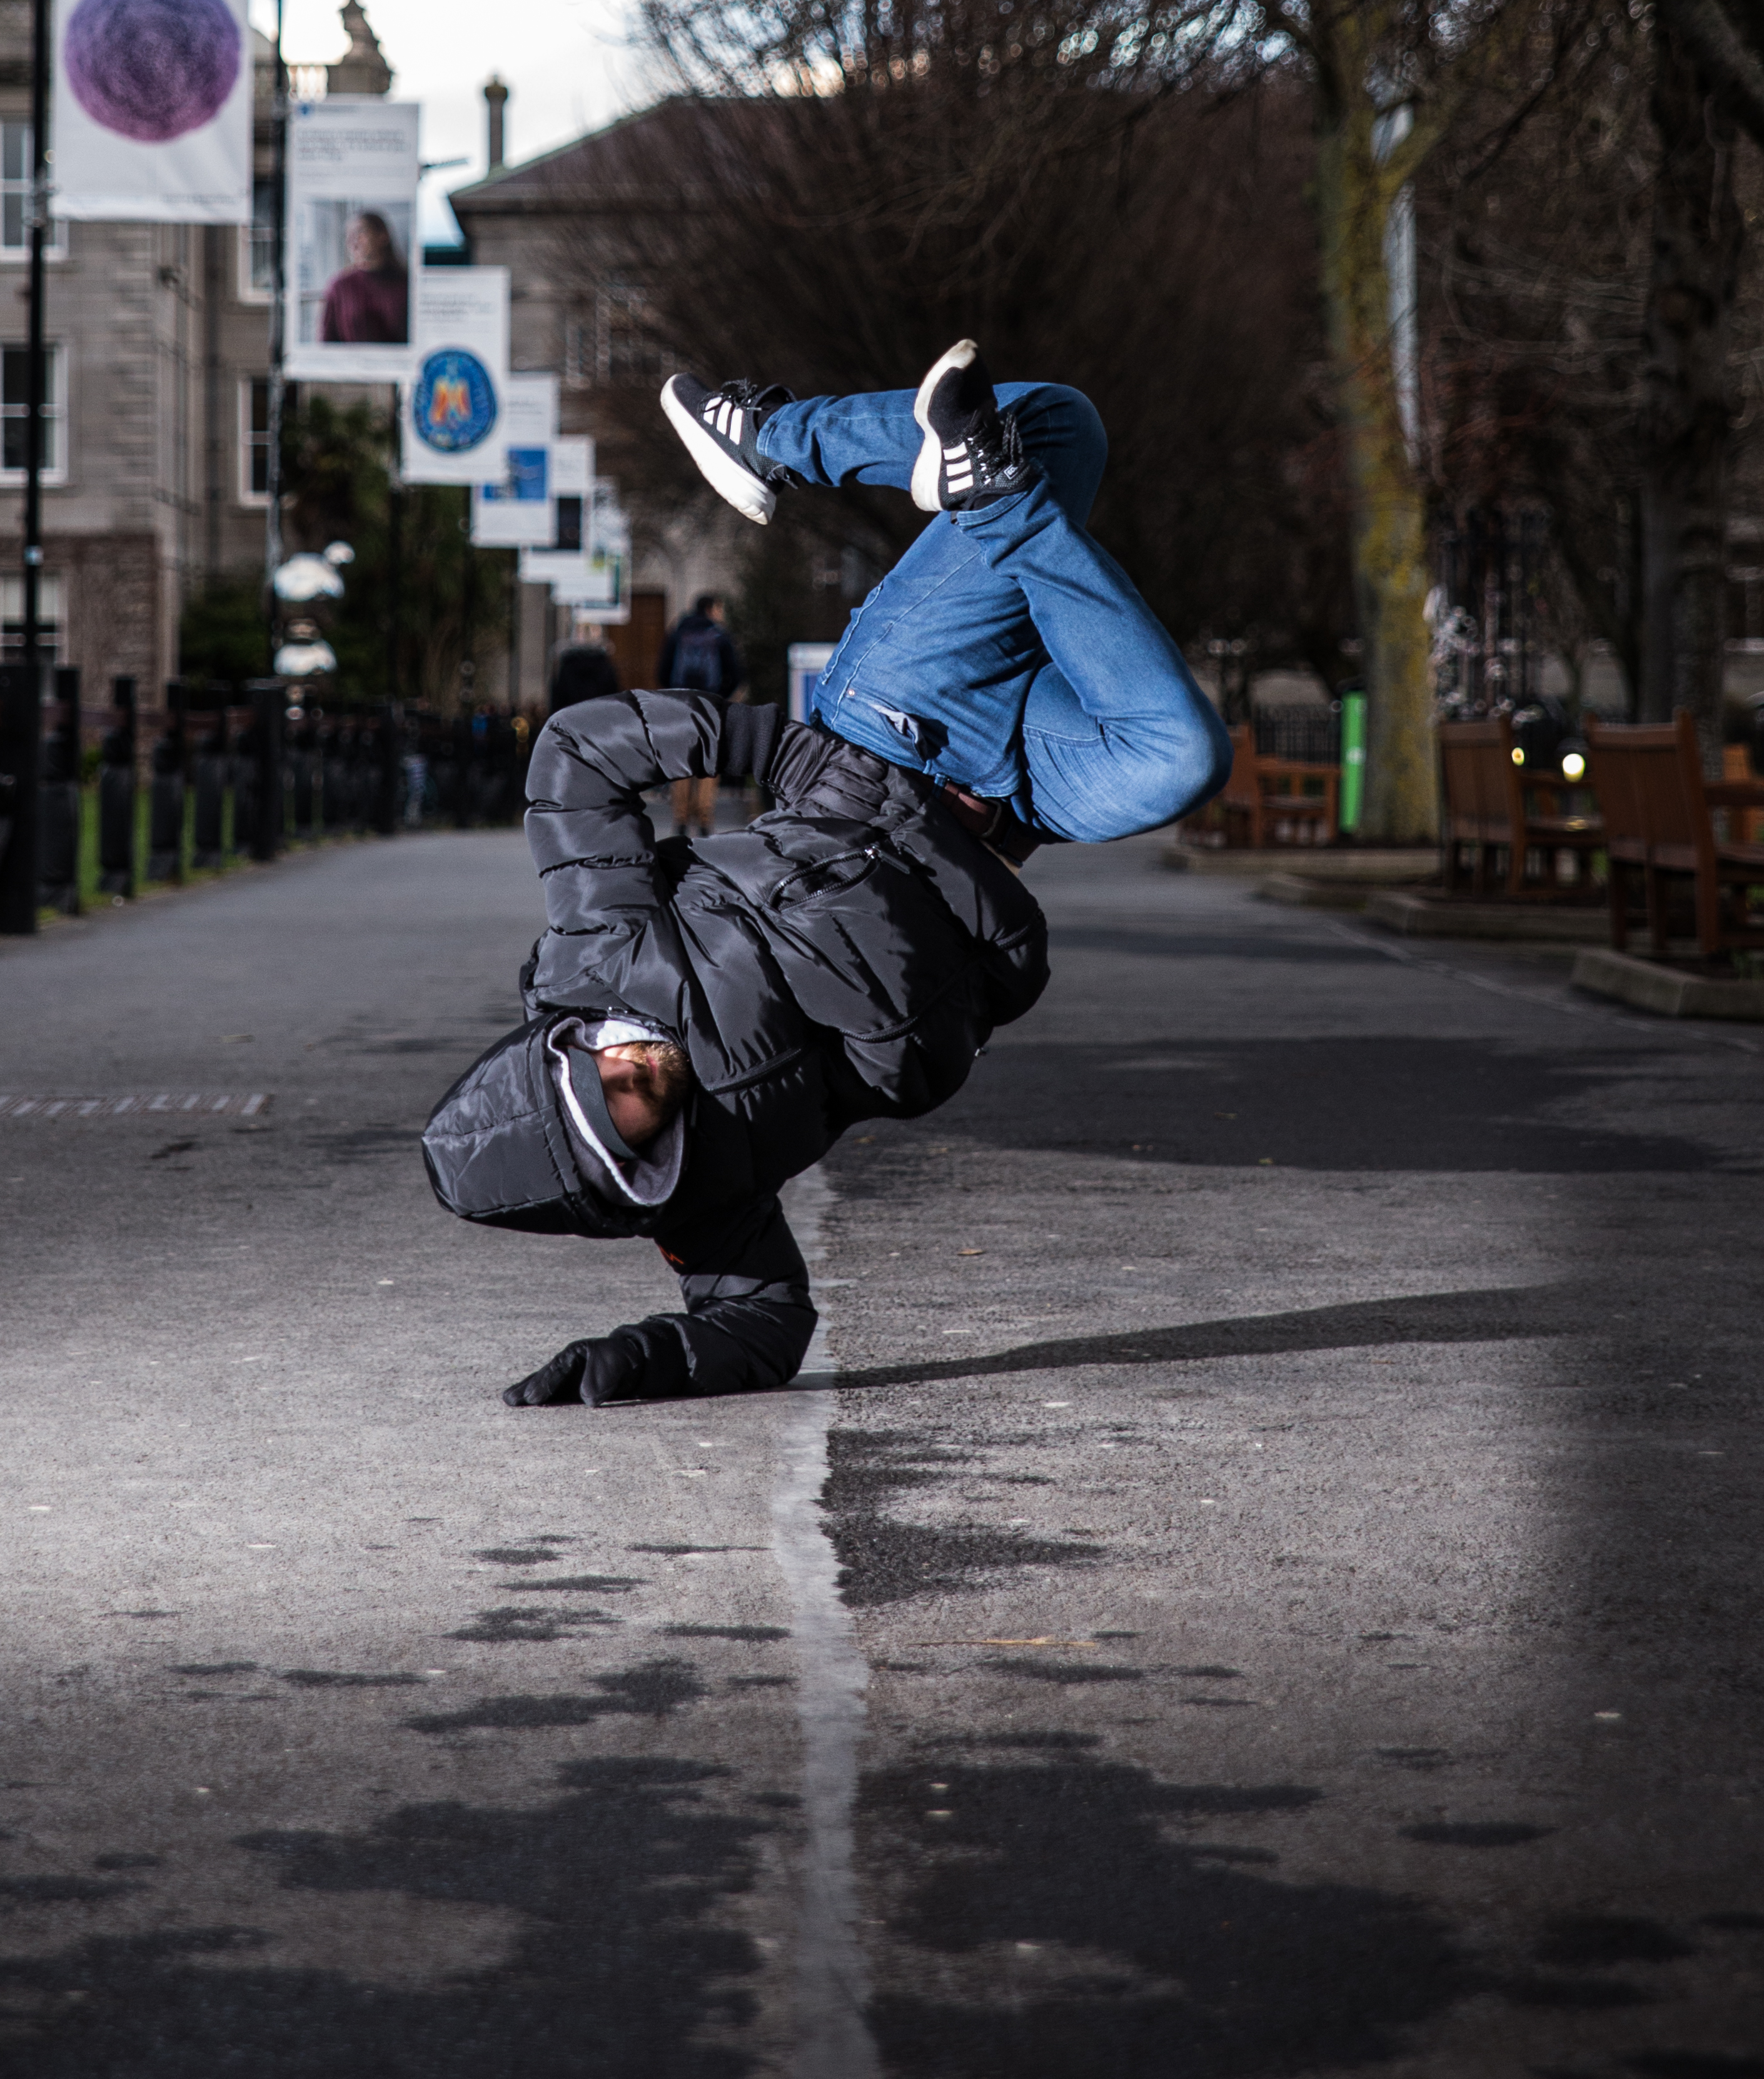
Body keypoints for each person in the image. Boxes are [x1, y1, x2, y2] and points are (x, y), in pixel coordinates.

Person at [421, 340, 1227, 1409]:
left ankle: (781, 441)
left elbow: (575, 757)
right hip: (1006, 817)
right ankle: (966, 492)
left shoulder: (597, 949)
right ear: (636, 1179)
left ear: (570, 1047)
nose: (643, 1085)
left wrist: (786, 754)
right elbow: (761, 1325)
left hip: (896, 720)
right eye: (638, 1130)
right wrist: (639, 1359)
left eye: (609, 1080)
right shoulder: (707, 1195)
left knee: (1056, 425)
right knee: (1177, 755)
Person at [655, 594, 742, 832]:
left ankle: (681, 817)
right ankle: (704, 818)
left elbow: (662, 672)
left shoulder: (677, 633)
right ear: (711, 609)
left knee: (682, 761)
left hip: (681, 706)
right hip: (710, 706)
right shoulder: (719, 636)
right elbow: (735, 674)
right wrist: (720, 696)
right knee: (709, 760)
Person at [320, 211, 409, 345]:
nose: (352, 240)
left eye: (360, 232)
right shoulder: (340, 286)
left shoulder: (407, 284)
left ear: (382, 236)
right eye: (348, 235)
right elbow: (327, 342)